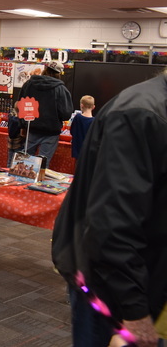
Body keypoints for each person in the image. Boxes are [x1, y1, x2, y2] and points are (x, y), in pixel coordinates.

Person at [52, 70, 167, 347]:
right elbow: (112, 224)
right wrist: (135, 310)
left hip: (145, 279)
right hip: (114, 290)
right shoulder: (140, 113)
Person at [16, 60, 73, 164]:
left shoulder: (29, 84)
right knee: (42, 164)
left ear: (45, 69)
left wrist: (22, 125)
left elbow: (21, 106)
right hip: (51, 132)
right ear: (59, 73)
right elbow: (66, 114)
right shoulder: (61, 89)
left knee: (24, 163)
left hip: (31, 129)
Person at [69, 95, 94, 159]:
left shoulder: (77, 117)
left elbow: (72, 131)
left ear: (81, 105)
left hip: (77, 149)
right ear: (93, 107)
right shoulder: (94, 121)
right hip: (88, 151)